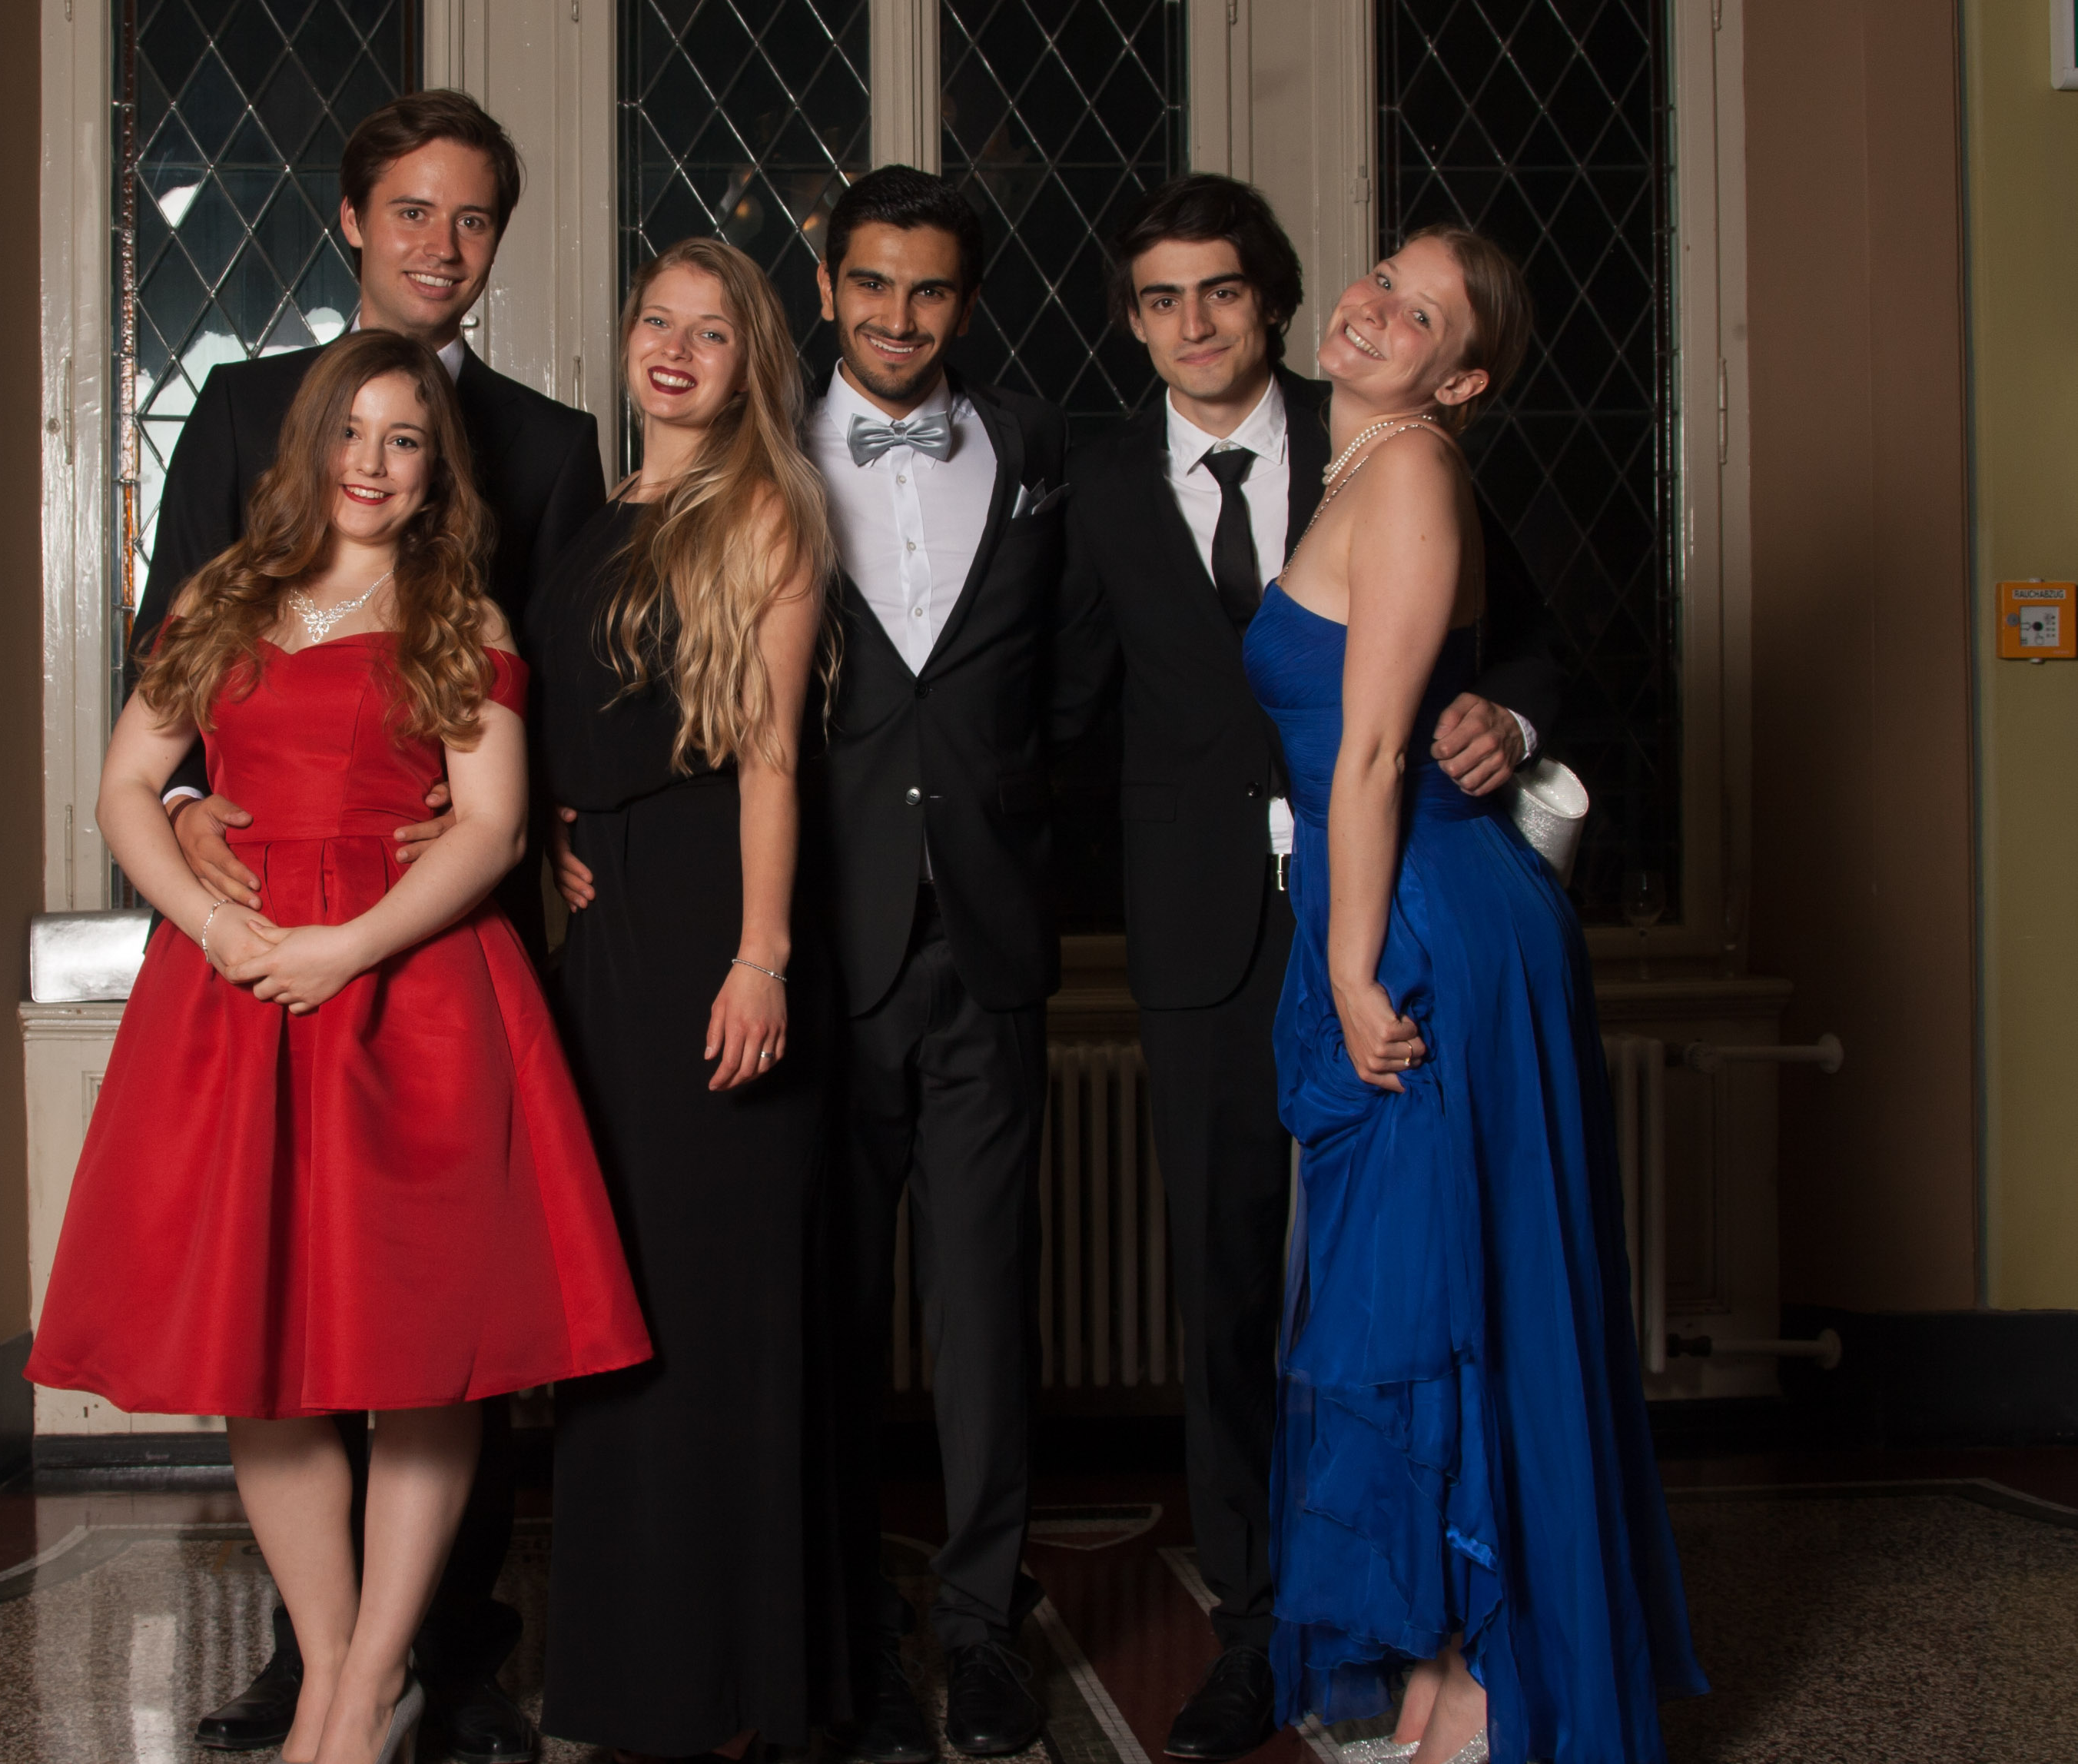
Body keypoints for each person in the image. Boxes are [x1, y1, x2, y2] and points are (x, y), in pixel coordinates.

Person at [28, 331, 652, 1764]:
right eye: (351, 434)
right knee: (261, 1355)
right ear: (306, 446)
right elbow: (128, 787)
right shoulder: (223, 597)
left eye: (404, 439)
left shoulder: (461, 613)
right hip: (236, 995)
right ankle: (325, 1669)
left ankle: (375, 1683)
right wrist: (212, 924)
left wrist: (346, 949)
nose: (372, 464)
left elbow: (490, 828)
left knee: (422, 1352)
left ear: (437, 471)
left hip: (415, 994)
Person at [1050, 175, 1569, 1762]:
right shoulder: (1095, 480)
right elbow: (1053, 708)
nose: (1194, 323)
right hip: (1204, 928)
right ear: (1133, 323)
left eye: (1221, 290)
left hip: (1384, 907)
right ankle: (1262, 1621)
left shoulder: (1393, 439)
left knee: (1409, 1281)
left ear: (1269, 301)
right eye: (1160, 299)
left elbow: (1527, 637)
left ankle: (1438, 1633)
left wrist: (1513, 720)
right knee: (1230, 1287)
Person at [132, 90, 605, 1759]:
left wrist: (526, 826)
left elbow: (558, 695)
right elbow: (171, 675)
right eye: (412, 209)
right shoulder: (245, 406)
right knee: (273, 1310)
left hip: (435, 941)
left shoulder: (548, 443)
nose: (440, 244)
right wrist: (190, 816)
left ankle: (435, 1657)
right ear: (354, 219)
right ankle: (325, 1663)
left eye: (471, 218)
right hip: (257, 930)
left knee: (435, 1317)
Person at [1248, 228, 1704, 1764]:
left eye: (1424, 311)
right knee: (1430, 1298)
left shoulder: (1413, 474)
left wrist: (1350, 963)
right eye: (1384, 275)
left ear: (1463, 376)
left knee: (1442, 1304)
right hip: (1400, 901)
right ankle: (1456, 1678)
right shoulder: (1372, 469)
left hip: (1428, 922)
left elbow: (1378, 751)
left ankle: (1496, 1695)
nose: (1378, 306)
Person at [526, 237, 838, 1762]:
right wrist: (551, 828)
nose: (675, 347)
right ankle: (630, 1678)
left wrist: (763, 955)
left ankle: (735, 1684)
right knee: (619, 1298)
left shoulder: (765, 508)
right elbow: (563, 719)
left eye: (712, 332)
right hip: (610, 936)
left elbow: (772, 753)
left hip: (718, 916)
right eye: (658, 319)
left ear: (749, 363)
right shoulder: (595, 515)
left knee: (717, 1305)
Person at [802, 166, 1064, 1762]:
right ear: (826, 282)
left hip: (990, 943)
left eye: (931, 290)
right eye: (873, 284)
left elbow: (1076, 677)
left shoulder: (1036, 450)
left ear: (967, 301)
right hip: (821, 952)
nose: (899, 318)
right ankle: (852, 1641)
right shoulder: (759, 448)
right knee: (827, 1319)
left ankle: (980, 1630)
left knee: (986, 1314)